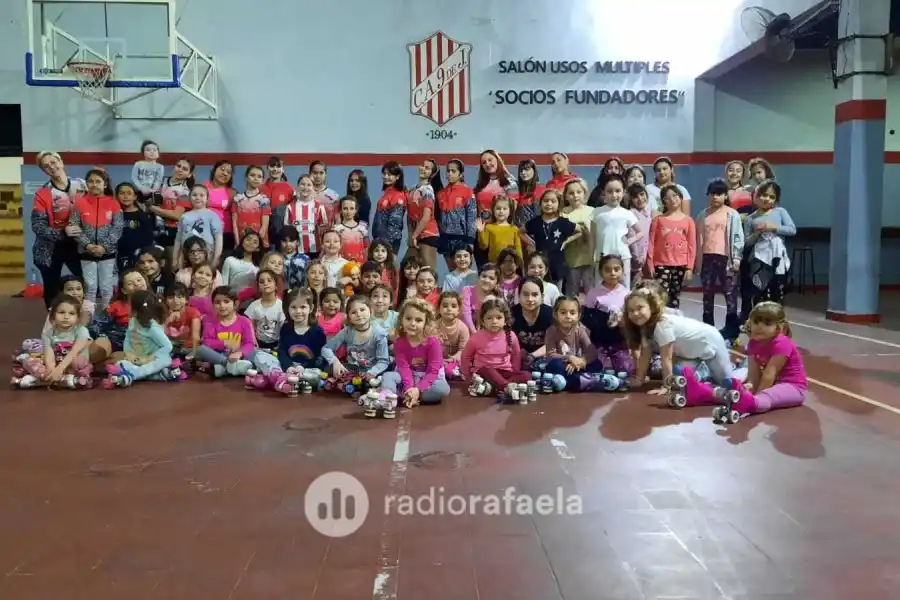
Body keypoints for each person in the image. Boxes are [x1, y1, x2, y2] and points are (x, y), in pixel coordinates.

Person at [622, 288, 734, 401]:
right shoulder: (645, 327)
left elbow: (667, 358)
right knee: (680, 381)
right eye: (631, 310)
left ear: (651, 306)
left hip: (710, 343)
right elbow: (645, 354)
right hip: (689, 355)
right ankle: (703, 373)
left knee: (728, 383)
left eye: (640, 308)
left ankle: (741, 370)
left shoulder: (661, 325)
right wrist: (639, 379)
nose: (635, 313)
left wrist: (667, 386)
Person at [31, 151, 86, 308]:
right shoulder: (43, 193)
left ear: (61, 162)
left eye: (53, 162)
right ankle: (54, 322)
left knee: (85, 283)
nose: (51, 167)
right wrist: (62, 233)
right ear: (44, 171)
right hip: (52, 246)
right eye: (46, 166)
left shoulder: (82, 185)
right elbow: (38, 225)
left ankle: (84, 321)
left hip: (78, 243)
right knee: (52, 289)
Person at [695, 178, 744, 342]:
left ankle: (731, 329)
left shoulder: (732, 214)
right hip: (707, 259)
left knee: (730, 294)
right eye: (712, 193)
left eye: (719, 194)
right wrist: (697, 262)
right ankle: (708, 329)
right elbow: (698, 239)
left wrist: (736, 258)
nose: (715, 197)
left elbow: (738, 237)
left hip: (726, 259)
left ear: (725, 196)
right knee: (707, 294)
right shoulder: (702, 215)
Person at [102, 290, 184, 387]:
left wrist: (149, 358)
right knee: (120, 363)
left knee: (161, 361)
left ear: (136, 310)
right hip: (137, 359)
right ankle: (162, 375)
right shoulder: (133, 321)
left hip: (152, 359)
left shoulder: (152, 328)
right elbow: (128, 338)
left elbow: (168, 346)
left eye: (129, 305)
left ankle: (131, 376)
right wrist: (128, 354)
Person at [12, 293, 93, 389]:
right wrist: (52, 370)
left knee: (78, 363)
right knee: (30, 361)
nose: (66, 317)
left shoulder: (81, 331)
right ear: (53, 314)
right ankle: (54, 379)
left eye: (71, 313)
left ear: (77, 318)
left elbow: (74, 352)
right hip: (56, 362)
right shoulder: (48, 333)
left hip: (72, 363)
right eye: (61, 312)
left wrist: (60, 369)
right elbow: (48, 353)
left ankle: (39, 380)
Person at [381, 298, 452, 407]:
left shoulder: (433, 342)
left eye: (418, 320)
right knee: (388, 376)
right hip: (408, 377)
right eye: (408, 318)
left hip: (429, 378)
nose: (412, 323)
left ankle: (406, 396)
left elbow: (433, 371)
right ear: (401, 320)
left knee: (443, 389)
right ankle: (388, 398)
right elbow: (403, 368)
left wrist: (418, 389)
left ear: (426, 323)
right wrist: (409, 387)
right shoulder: (399, 342)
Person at [460, 297, 534, 402]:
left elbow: (516, 355)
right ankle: (506, 387)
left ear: (505, 320)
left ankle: (493, 388)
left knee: (527, 375)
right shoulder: (476, 337)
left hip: (505, 372)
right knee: (487, 369)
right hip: (484, 373)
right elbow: (466, 356)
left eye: (498, 317)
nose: (494, 321)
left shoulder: (511, 335)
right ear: (482, 320)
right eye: (489, 318)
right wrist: (468, 376)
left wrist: (515, 371)